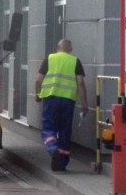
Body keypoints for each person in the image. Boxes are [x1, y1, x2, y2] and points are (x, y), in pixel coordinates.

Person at [34, 39, 88, 172]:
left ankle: (53, 149)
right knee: (65, 130)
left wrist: (38, 95)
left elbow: (38, 80)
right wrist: (85, 104)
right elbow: (80, 83)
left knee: (48, 127)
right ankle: (61, 163)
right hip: (68, 101)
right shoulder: (75, 61)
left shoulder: (49, 59)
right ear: (69, 48)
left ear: (58, 48)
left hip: (50, 99)